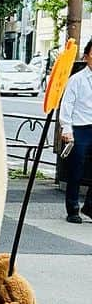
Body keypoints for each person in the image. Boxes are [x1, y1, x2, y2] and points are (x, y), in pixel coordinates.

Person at [59, 38, 92, 223]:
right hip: (80, 128)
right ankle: (72, 209)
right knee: (76, 170)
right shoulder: (77, 80)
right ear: (86, 56)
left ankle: (90, 206)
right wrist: (67, 128)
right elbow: (67, 104)